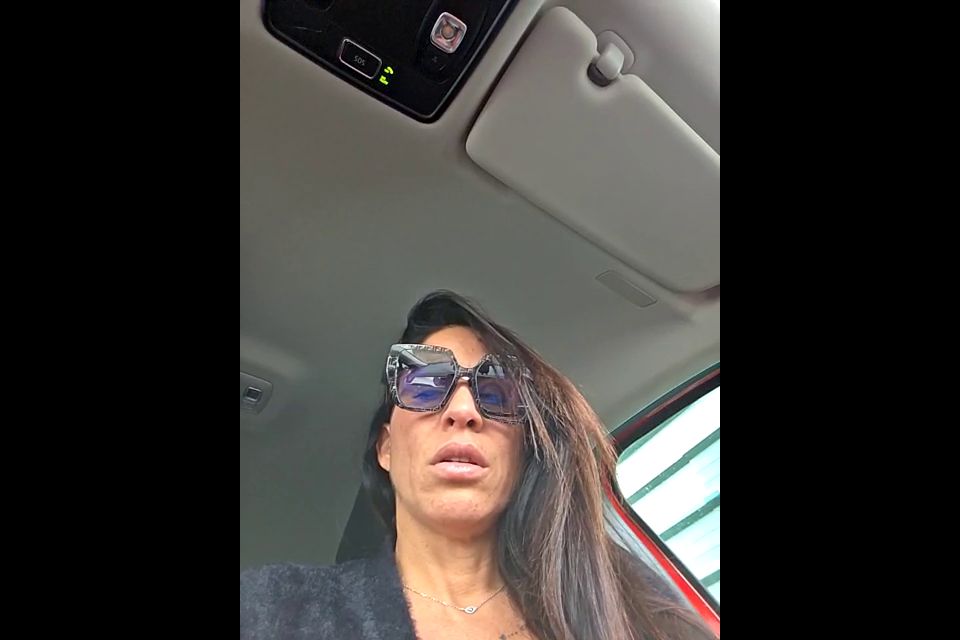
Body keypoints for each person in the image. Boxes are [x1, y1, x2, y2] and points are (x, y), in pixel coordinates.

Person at [241, 290, 716, 640]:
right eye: (425, 384)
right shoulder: (273, 608)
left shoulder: (632, 607)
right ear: (386, 448)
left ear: (521, 452)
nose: (464, 410)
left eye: (496, 391)